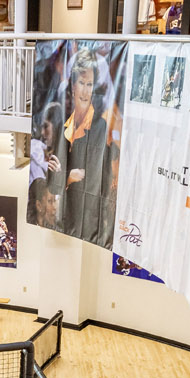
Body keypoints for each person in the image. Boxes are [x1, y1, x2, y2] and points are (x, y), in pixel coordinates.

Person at [61, 50, 116, 245]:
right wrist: (68, 176)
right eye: (81, 83)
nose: (85, 91)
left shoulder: (100, 128)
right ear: (73, 86)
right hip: (63, 216)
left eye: (89, 84)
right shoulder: (63, 123)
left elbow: (92, 179)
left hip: (87, 221)